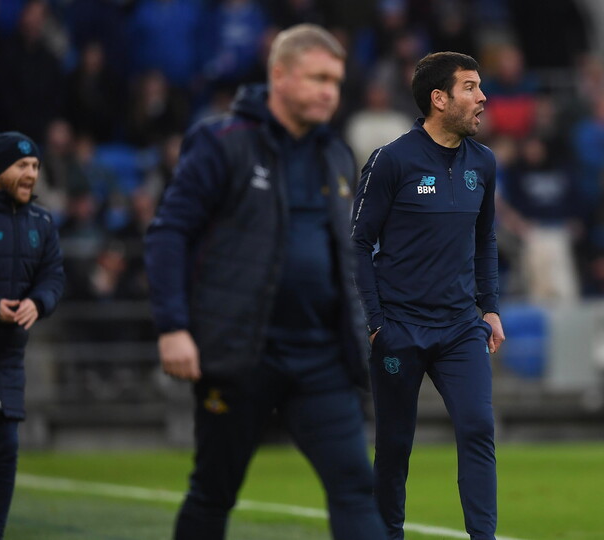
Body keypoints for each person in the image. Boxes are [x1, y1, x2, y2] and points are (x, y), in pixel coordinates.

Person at [143, 25, 385, 540]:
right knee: (214, 490)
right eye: (318, 78)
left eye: (336, 82)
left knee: (357, 485)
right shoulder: (221, 142)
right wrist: (172, 327)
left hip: (321, 357)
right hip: (238, 353)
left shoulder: (338, 155)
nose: (329, 92)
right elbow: (169, 234)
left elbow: (346, 255)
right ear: (279, 75)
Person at [351, 51, 506, 540]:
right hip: (400, 328)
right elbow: (356, 243)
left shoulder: (484, 163)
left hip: (462, 328)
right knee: (395, 446)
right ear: (439, 99)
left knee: (478, 429)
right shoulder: (391, 160)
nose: (482, 98)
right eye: (470, 88)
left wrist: (491, 308)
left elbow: (485, 239)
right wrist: (377, 322)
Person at [0, 131, 64, 540]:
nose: (31, 174)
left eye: (36, 166)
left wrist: (39, 303)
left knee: (6, 449)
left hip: (8, 354)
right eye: (22, 165)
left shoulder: (42, 221)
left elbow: (54, 276)